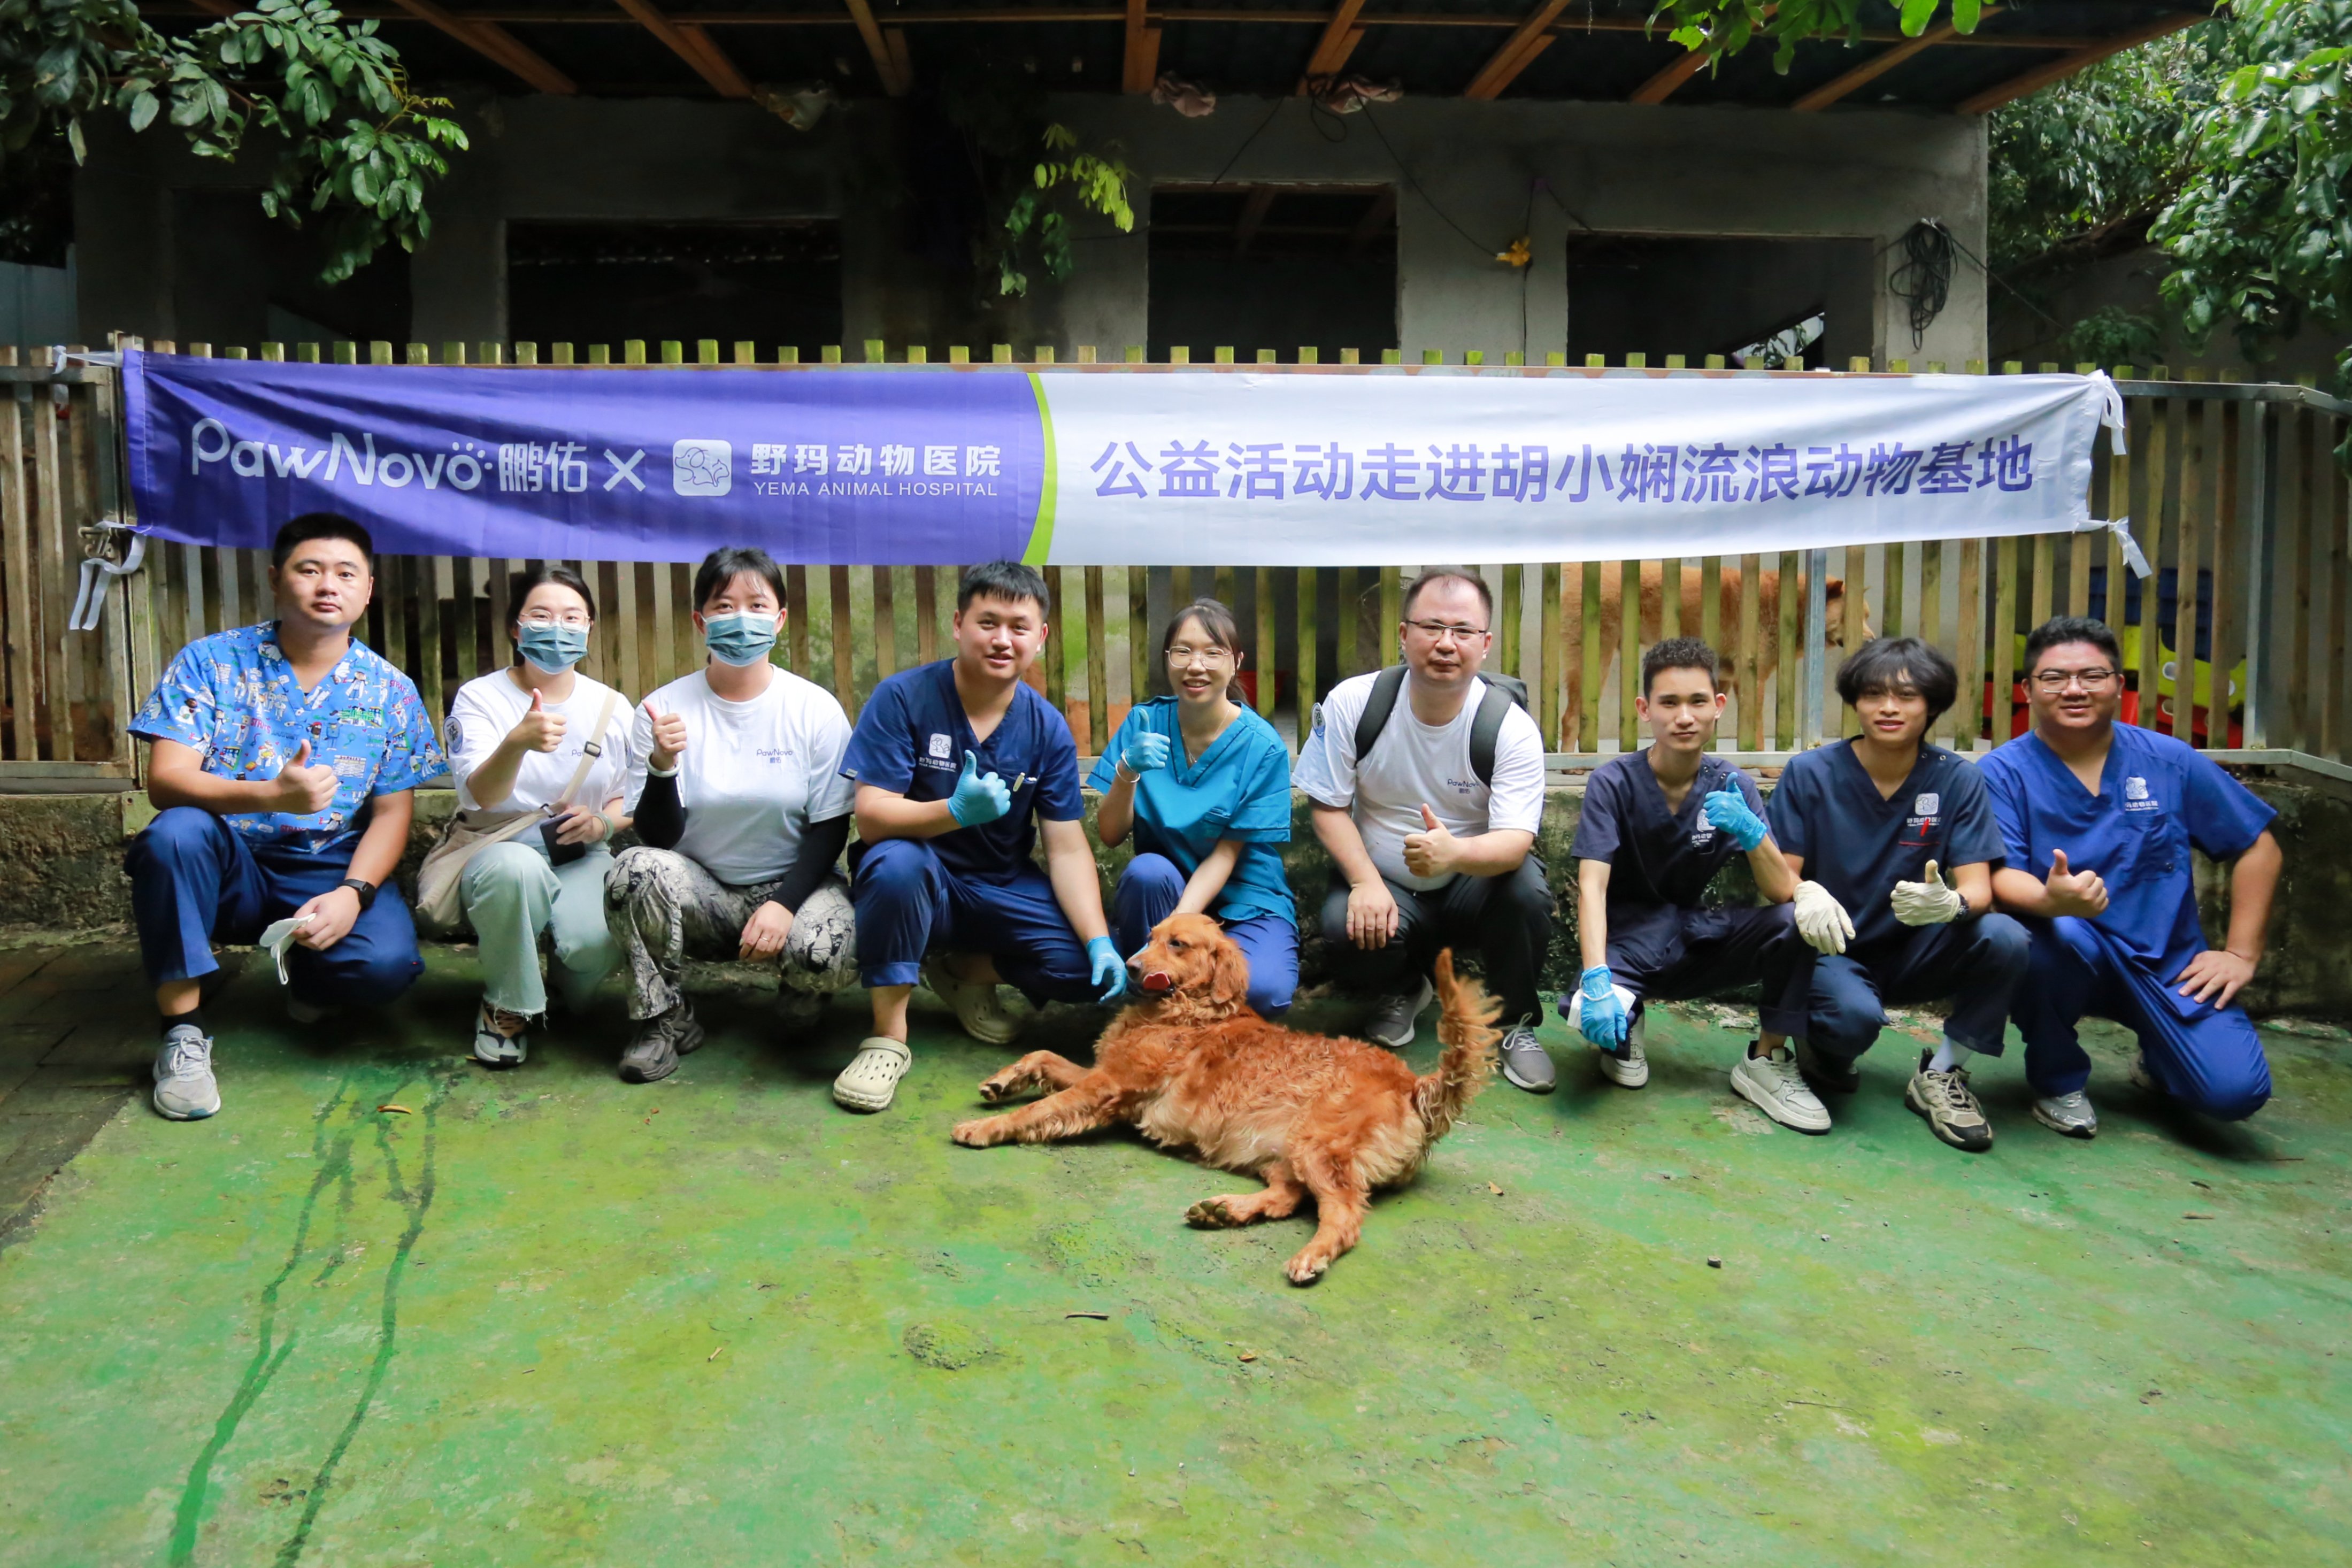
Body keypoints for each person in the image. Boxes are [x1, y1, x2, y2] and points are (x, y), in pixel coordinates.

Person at [125, 513, 444, 1121]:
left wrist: (353, 892)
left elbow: (391, 813)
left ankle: (311, 979)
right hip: (226, 858)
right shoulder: (212, 662)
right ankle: (183, 1033)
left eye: (346, 573)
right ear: (277, 580)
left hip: (323, 867)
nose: (329, 584)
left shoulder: (390, 689)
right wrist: (271, 796)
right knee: (174, 834)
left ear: (367, 589)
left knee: (386, 969)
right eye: (311, 569)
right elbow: (166, 782)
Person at [839, 560, 1128, 1113]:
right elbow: (872, 816)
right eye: (987, 622)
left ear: (1040, 637)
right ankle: (887, 1039)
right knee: (895, 864)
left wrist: (1099, 942)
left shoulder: (1045, 727)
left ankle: (964, 973)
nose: (1002, 639)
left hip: (1000, 884)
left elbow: (1066, 846)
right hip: (920, 878)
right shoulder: (903, 698)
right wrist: (953, 811)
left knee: (1083, 967)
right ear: (958, 624)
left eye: (1019, 627)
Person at [1982, 616, 2282, 1135]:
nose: (2074, 689)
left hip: (2170, 964)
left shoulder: (2169, 760)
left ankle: (2161, 1060)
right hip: (2070, 952)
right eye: (2054, 677)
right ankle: (2058, 1080)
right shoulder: (2001, 773)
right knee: (2051, 939)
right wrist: (2050, 900)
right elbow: (1999, 873)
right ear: (2027, 689)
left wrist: (2240, 953)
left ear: (2119, 685)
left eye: (2092, 675)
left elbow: (2259, 845)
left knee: (2236, 1093)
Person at [1765, 636, 2031, 1151]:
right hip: (1833, 949)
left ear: (1932, 705)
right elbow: (1781, 882)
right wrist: (1806, 893)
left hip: (1918, 949)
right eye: (1873, 694)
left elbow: (1979, 890)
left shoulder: (1957, 780)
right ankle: (1827, 1050)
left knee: (2006, 936)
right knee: (1851, 1022)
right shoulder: (1811, 773)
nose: (1888, 707)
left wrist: (1953, 903)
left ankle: (1943, 1073)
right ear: (1855, 701)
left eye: (1907, 696)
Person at [1295, 566, 1555, 1092]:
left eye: (1462, 631)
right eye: (1431, 627)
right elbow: (1326, 805)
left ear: (1484, 645)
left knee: (1527, 891)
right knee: (1344, 926)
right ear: (1403, 634)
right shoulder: (1355, 703)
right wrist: (1366, 881)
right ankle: (1404, 986)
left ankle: (1514, 1024)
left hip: (1470, 885)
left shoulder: (1509, 727)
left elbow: (1515, 842)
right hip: (1386, 885)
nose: (1445, 643)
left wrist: (1454, 854)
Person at [604, 547, 858, 1085]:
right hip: (704, 894)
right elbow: (657, 836)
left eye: (757, 604)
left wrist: (786, 905)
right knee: (634, 869)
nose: (742, 618)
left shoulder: (814, 709)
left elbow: (832, 824)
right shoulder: (661, 710)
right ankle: (662, 1019)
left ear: (781, 618)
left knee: (826, 951)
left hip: (793, 888)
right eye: (724, 605)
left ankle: (801, 994)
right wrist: (662, 766)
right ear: (700, 621)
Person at [1560, 637, 1823, 1129]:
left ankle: (1766, 1060)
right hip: (1624, 947)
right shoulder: (1612, 783)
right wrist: (1596, 977)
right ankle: (1625, 1013)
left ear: (1719, 707)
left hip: (1693, 936)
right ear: (1645, 710)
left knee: (1794, 921)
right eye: (1669, 703)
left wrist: (1753, 834)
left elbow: (1781, 890)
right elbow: (1592, 888)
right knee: (1594, 1024)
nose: (1685, 717)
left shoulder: (1733, 785)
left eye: (1698, 702)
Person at [440, 565, 632, 1068]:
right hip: (497, 849)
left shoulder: (612, 707)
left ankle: (562, 986)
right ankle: (508, 1003)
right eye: (541, 615)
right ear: (515, 627)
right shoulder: (480, 698)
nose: (558, 628)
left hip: (579, 851)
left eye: (573, 618)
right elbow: (480, 795)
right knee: (515, 872)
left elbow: (627, 797)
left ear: (589, 629)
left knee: (592, 946)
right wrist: (517, 744)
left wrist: (602, 826)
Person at [1090, 598, 1297, 1018]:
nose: (1195, 666)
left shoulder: (1263, 746)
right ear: (1167, 659)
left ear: (1236, 661)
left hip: (1244, 899)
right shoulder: (1142, 724)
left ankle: (1171, 1000)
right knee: (1147, 872)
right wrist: (1127, 770)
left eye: (1212, 652)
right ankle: (1152, 1010)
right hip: (1164, 891)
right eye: (1182, 651)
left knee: (1263, 993)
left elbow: (1225, 855)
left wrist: (1173, 935)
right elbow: (1110, 835)